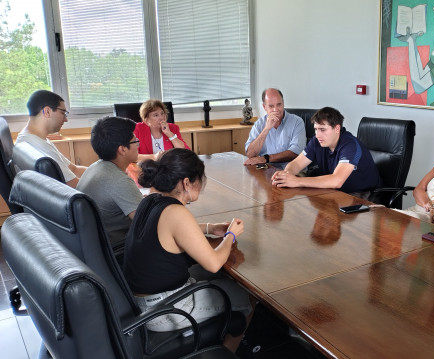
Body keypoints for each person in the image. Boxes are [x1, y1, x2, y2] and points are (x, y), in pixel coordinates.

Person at [123, 148, 251, 350]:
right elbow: (213, 263)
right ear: (186, 182)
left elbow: (170, 230)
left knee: (227, 279)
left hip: (142, 302)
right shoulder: (175, 212)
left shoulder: (148, 200)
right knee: (246, 294)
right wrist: (231, 235)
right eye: (201, 178)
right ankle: (225, 353)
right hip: (166, 310)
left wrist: (211, 227)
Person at [271, 107, 382, 195]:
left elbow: (337, 181)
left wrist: (296, 181)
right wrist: (286, 175)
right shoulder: (317, 141)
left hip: (363, 195)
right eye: (316, 129)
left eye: (323, 130)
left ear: (337, 129)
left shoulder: (350, 145)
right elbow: (297, 163)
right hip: (335, 192)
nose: (318, 135)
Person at [77, 116, 143, 257]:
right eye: (135, 141)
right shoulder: (119, 181)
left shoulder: (95, 167)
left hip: (98, 248)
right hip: (120, 251)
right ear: (122, 150)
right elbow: (147, 222)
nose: (138, 145)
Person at [15, 90, 86, 188]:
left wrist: (100, 172)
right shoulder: (38, 146)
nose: (66, 119)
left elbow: (74, 169)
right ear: (47, 111)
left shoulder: (33, 139)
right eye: (63, 113)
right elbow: (74, 185)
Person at [243, 88, 305, 166]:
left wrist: (266, 158)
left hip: (291, 171)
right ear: (264, 107)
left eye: (279, 104)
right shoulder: (259, 124)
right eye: (271, 106)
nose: (276, 110)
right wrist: (266, 129)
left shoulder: (297, 122)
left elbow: (295, 153)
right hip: (267, 170)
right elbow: (250, 154)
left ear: (283, 103)